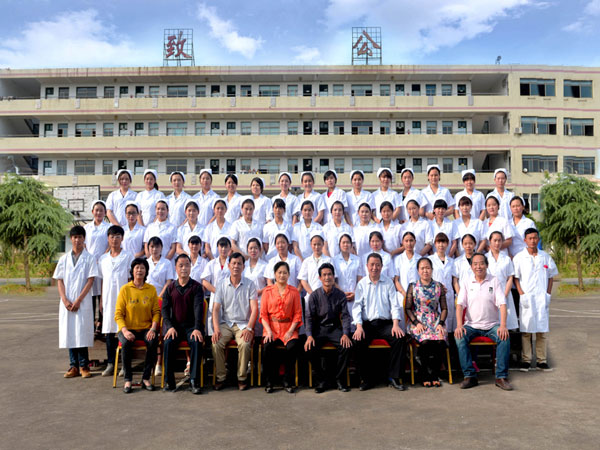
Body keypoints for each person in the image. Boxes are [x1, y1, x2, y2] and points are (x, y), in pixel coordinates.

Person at [454, 253, 513, 390]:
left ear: (487, 265)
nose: (478, 267)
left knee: (504, 337)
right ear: (471, 267)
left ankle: (501, 377)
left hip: (491, 325)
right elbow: (460, 305)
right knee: (459, 337)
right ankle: (469, 376)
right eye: (475, 264)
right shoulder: (467, 282)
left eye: (481, 263)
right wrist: (459, 325)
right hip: (471, 325)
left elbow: (502, 304)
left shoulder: (494, 280)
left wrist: (503, 326)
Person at [352, 253, 407, 391]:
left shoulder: (388, 282)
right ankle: (366, 379)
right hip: (368, 324)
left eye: (377, 265)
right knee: (357, 340)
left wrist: (396, 325)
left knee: (399, 338)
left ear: (382, 266)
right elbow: (357, 307)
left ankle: (394, 378)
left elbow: (394, 305)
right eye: (372, 265)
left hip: (385, 324)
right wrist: (359, 327)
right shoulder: (362, 284)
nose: (374, 268)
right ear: (367, 266)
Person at [54, 226, 99, 379]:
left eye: (80, 237)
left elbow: (90, 280)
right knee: (70, 333)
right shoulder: (64, 259)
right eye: (74, 237)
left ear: (84, 239)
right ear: (71, 239)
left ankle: (84, 366)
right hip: (67, 302)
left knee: (82, 332)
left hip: (83, 301)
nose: (77, 240)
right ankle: (73, 366)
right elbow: (59, 280)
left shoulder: (89, 258)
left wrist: (79, 300)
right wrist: (64, 299)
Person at [212, 253, 259, 391]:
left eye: (239, 264)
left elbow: (254, 309)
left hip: (243, 324)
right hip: (226, 324)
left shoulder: (250, 284)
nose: (236, 266)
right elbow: (215, 309)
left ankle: (242, 377)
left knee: (245, 343)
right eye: (233, 263)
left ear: (243, 266)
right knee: (216, 343)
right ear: (228, 266)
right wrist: (216, 329)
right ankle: (221, 377)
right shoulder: (221, 284)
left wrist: (249, 328)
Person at [513, 228, 558, 372]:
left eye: (535, 238)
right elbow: (516, 278)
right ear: (525, 240)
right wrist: (521, 294)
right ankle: (526, 360)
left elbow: (551, 276)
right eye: (530, 238)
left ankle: (541, 360)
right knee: (526, 331)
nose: (533, 241)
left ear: (538, 239)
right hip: (527, 297)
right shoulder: (519, 257)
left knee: (541, 331)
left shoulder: (545, 257)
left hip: (541, 298)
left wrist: (548, 293)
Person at [304, 263, 352, 393]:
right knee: (309, 348)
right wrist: (309, 336)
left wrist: (345, 334)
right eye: (324, 275)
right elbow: (309, 317)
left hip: (335, 328)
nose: (327, 277)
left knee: (346, 346)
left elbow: (345, 316)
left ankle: (339, 380)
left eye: (329, 274)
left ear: (333, 276)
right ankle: (321, 380)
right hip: (320, 329)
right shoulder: (314, 296)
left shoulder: (340, 295)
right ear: (320, 278)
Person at [115, 258, 160, 393]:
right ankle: (128, 379)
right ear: (132, 271)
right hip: (127, 328)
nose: (139, 270)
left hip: (146, 328)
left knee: (152, 341)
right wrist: (124, 330)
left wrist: (153, 329)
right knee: (126, 343)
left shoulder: (151, 289)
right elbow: (118, 314)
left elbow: (156, 312)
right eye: (137, 267)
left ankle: (146, 378)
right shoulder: (125, 289)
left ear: (146, 271)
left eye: (142, 268)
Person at [162, 254, 205, 394]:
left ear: (190, 267)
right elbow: (164, 310)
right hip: (175, 327)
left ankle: (194, 380)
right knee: (168, 342)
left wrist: (197, 328)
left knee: (196, 342)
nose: (184, 268)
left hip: (192, 327)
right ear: (175, 268)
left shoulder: (196, 287)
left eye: (187, 265)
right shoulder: (170, 288)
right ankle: (169, 381)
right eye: (180, 265)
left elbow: (199, 309)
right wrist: (169, 327)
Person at [261, 261, 303, 393]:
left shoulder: (294, 291)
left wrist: (291, 331)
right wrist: (268, 331)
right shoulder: (267, 291)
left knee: (292, 347)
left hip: (289, 327)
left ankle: (287, 380)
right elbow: (263, 314)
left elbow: (297, 314)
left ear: (289, 275)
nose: (282, 275)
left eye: (285, 272)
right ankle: (269, 381)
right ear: (274, 274)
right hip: (271, 328)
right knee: (267, 347)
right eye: (279, 272)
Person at [98, 225, 134, 377]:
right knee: (109, 331)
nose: (114, 240)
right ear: (108, 239)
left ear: (122, 238)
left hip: (123, 299)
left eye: (118, 237)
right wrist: (101, 299)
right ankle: (111, 363)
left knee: (123, 331)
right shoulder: (103, 259)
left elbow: (131, 279)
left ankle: (125, 365)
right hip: (108, 298)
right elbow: (102, 280)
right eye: (112, 237)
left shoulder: (128, 256)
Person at [405, 257, 448, 387]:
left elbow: (444, 308)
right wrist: (416, 323)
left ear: (432, 269)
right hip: (418, 321)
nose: (425, 271)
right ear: (418, 271)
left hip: (435, 321)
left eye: (428, 268)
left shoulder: (439, 286)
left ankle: (434, 374)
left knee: (440, 341)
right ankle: (424, 374)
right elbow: (408, 308)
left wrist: (440, 323)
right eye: (422, 268)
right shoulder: (413, 286)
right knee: (425, 342)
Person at [84, 200, 110, 337]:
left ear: (105, 212)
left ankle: (101, 323)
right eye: (96, 210)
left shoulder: (108, 227)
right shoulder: (87, 228)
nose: (99, 212)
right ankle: (91, 324)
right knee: (91, 295)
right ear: (92, 212)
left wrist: (103, 256)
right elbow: (84, 244)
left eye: (101, 210)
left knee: (102, 294)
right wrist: (89, 258)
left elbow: (111, 244)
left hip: (104, 263)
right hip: (90, 264)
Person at [486, 231, 519, 331]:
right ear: (490, 241)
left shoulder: (506, 259)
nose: (497, 243)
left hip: (505, 291)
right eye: (495, 240)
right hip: (489, 292)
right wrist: (491, 294)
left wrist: (504, 294)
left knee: (505, 323)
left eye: (499, 240)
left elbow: (510, 277)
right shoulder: (485, 258)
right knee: (490, 323)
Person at [201, 237, 232, 337]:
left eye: (226, 246)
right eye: (221, 246)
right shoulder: (211, 263)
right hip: (215, 295)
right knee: (212, 318)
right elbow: (205, 281)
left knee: (228, 319)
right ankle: (212, 339)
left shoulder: (233, 263)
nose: (223, 249)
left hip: (230, 295)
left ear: (230, 248)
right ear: (217, 247)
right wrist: (217, 291)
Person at [429, 233, 459, 334]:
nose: (441, 245)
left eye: (443, 242)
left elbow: (454, 280)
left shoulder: (452, 261)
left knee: (449, 321)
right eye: (438, 242)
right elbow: (426, 278)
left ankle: (449, 340)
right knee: (436, 320)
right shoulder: (430, 260)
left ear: (447, 244)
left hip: (449, 294)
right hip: (434, 294)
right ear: (435, 244)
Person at [333, 233, 365, 326]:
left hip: (355, 295)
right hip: (339, 295)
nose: (345, 245)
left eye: (347, 242)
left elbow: (360, 279)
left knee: (356, 321)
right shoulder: (334, 260)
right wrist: (342, 293)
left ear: (351, 244)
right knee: (342, 322)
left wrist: (355, 293)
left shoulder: (357, 260)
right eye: (343, 242)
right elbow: (333, 281)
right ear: (339, 244)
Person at [298, 232, 333, 297]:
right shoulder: (306, 261)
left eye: (319, 244)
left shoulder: (329, 260)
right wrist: (312, 294)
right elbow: (303, 280)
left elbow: (332, 279)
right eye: (314, 244)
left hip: (326, 296)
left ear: (323, 244)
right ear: (311, 245)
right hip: (310, 296)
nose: (316, 247)